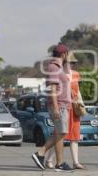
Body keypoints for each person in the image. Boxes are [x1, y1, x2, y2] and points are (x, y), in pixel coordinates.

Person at [31, 43, 73, 172]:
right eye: (68, 54)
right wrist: (55, 107)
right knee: (62, 133)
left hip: (62, 104)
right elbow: (53, 89)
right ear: (64, 54)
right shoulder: (54, 67)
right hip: (59, 104)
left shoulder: (58, 67)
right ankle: (41, 153)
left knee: (59, 133)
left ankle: (59, 163)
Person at [45, 52, 86, 170]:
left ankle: (76, 162)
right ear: (64, 62)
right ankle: (49, 159)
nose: (72, 65)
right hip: (65, 107)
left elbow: (77, 91)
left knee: (75, 136)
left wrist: (81, 104)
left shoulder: (76, 75)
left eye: (74, 63)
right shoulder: (60, 74)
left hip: (75, 108)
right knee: (59, 135)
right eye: (70, 62)